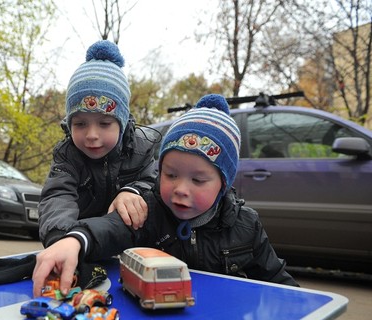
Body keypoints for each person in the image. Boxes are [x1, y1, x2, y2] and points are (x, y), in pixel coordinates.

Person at [33, 94, 298, 297]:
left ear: (223, 183)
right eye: (170, 175)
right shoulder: (150, 212)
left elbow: (279, 280)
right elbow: (110, 228)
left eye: (198, 179)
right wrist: (75, 240)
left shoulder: (246, 225)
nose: (181, 188)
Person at [38, 40, 158, 249]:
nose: (92, 135)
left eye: (104, 123)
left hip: (135, 248)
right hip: (81, 244)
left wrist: (134, 191)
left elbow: (156, 184)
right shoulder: (68, 156)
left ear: (121, 123)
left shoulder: (142, 148)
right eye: (80, 123)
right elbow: (58, 196)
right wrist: (61, 239)